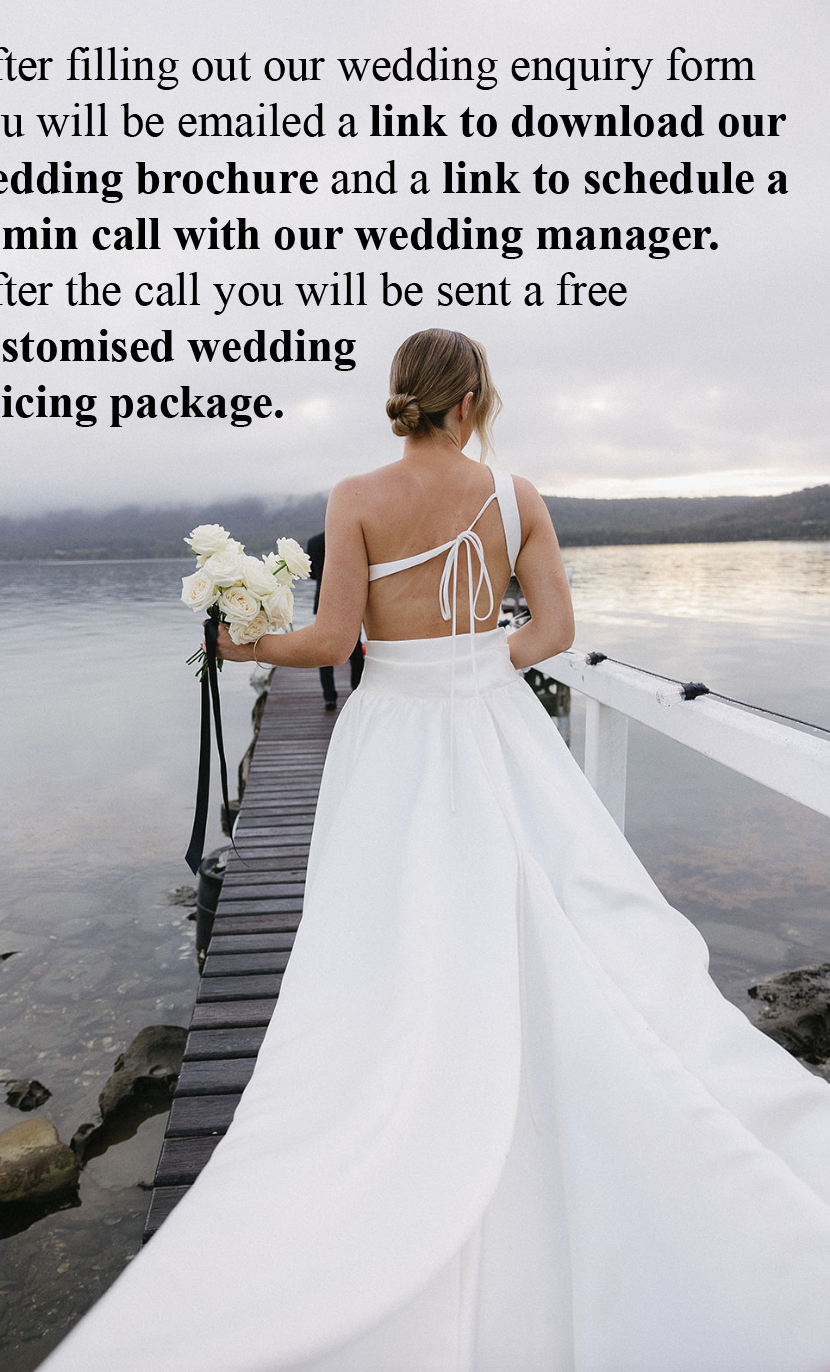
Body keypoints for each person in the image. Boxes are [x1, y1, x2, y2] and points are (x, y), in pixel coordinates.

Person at [41, 330, 830, 1372]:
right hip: (495, 721)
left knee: (391, 923)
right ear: (474, 400)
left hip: (397, 734)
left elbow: (329, 645)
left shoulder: (356, 494)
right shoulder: (520, 496)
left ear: (403, 397)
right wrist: (475, 663)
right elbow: (552, 630)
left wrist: (240, 644)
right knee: (550, 904)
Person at [306, 529, 365, 708]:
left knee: (324, 651)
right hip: (347, 600)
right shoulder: (346, 538)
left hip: (323, 600)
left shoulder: (313, 542)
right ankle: (356, 688)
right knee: (355, 649)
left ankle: (329, 697)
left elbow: (311, 574)